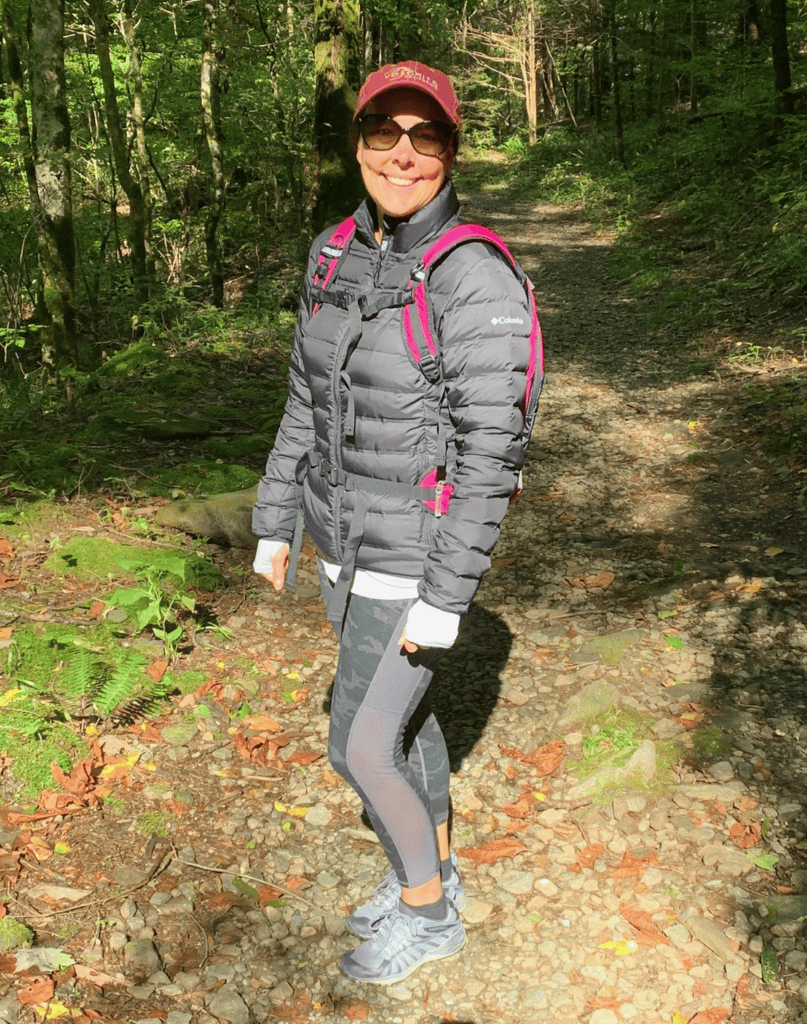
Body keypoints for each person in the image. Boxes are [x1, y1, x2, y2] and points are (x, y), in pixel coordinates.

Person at [252, 60, 536, 985]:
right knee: (406, 733)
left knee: (362, 747)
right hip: (343, 538)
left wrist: (446, 598)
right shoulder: (334, 252)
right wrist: (276, 518)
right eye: (385, 132)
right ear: (359, 142)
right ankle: (433, 869)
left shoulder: (473, 274)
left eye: (426, 136)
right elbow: (306, 396)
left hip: (415, 555)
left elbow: (492, 452)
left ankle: (429, 914)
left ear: (451, 151)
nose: (402, 155)